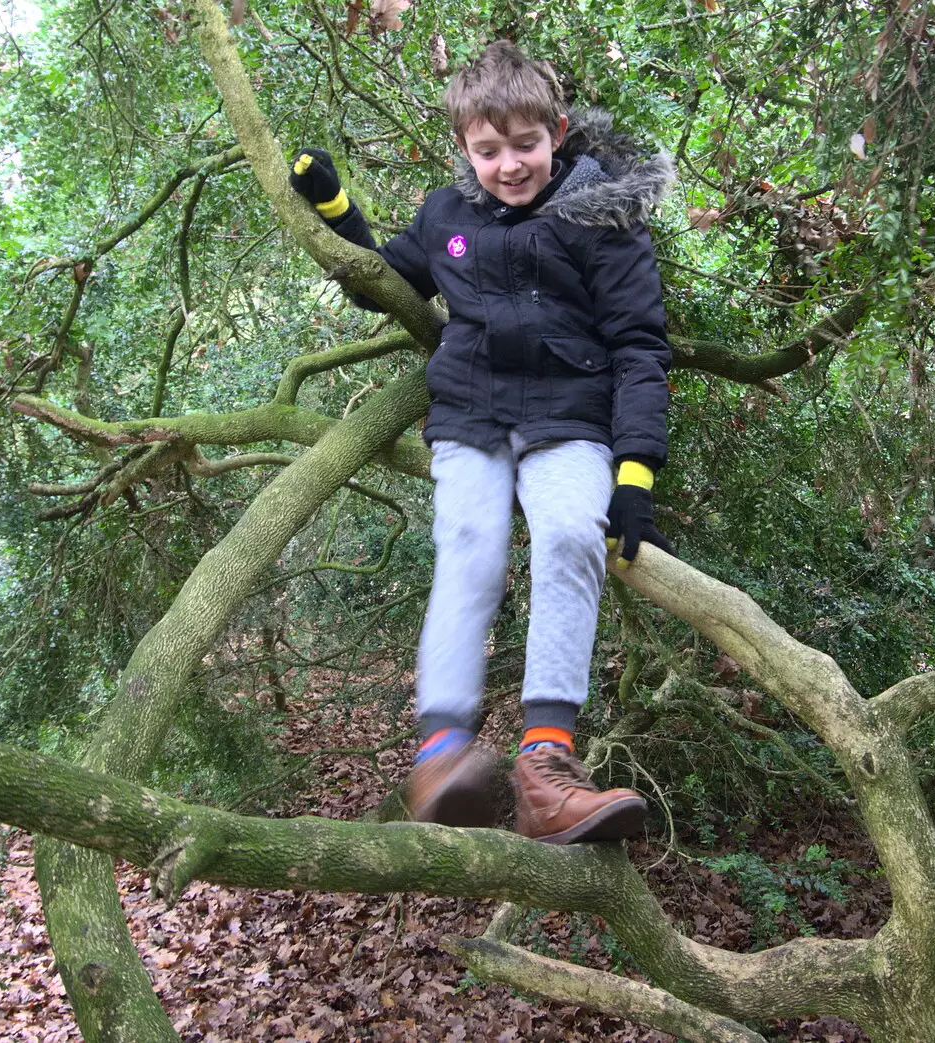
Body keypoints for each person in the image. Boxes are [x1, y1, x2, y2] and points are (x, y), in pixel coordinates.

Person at [288, 40, 674, 844]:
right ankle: (442, 752)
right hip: (470, 415)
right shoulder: (446, 215)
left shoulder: (604, 220)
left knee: (572, 535)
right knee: (471, 543)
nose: (508, 166)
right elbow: (384, 276)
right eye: (488, 150)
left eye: (525, 145)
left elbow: (640, 345)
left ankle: (547, 767)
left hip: (571, 416)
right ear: (464, 148)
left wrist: (634, 473)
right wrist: (333, 211)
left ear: (558, 132)